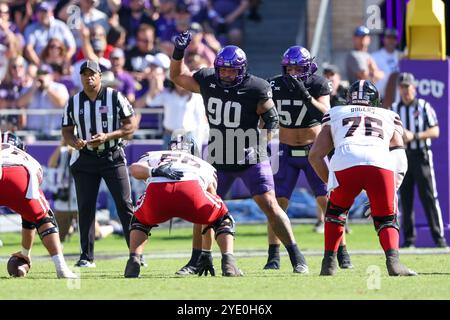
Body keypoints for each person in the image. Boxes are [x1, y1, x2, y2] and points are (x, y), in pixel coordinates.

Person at [170, 31, 309, 275]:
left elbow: (272, 120)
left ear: (242, 70)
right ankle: (197, 260)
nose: (226, 74)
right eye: (222, 69)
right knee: (203, 207)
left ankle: (297, 256)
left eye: (232, 70)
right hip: (218, 155)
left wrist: (262, 141)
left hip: (249, 155)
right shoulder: (207, 79)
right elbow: (177, 76)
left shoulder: (256, 87)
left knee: (270, 205)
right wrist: (178, 53)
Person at [308, 80, 416, 276]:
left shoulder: (336, 112)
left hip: (345, 161)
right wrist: (390, 190)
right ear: (375, 100)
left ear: (349, 99)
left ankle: (329, 263)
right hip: (380, 163)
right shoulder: (389, 115)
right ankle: (394, 262)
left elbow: (315, 155)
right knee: (387, 219)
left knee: (335, 213)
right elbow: (400, 156)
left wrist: (331, 183)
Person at [265, 46, 352, 270]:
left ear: (308, 67)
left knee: (328, 202)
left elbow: (326, 112)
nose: (293, 72)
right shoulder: (275, 84)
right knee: (276, 204)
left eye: (298, 68)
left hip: (313, 152)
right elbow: (262, 111)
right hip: (285, 150)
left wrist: (305, 96)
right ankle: (273, 256)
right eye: (290, 68)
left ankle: (341, 251)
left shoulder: (318, 84)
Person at [124, 131, 242, 278]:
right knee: (222, 218)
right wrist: (206, 252)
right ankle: (228, 261)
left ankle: (133, 261)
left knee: (139, 220)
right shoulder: (204, 164)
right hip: (191, 191)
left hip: (158, 193)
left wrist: (153, 171)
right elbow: (209, 210)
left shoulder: (154, 155)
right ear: (193, 149)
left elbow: (133, 169)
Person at [61, 60, 138, 267]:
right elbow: (67, 130)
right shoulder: (73, 102)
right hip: (85, 157)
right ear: (80, 77)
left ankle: (136, 254)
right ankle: (86, 257)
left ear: (100, 76)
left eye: (92, 73)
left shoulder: (114, 97)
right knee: (85, 208)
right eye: (85, 74)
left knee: (125, 205)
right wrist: (74, 141)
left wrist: (108, 136)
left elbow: (130, 126)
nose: (89, 77)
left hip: (112, 156)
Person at [0, 131, 77, 278]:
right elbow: (31, 217)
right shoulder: (25, 158)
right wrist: (25, 253)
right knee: (44, 218)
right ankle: (62, 269)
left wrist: (24, 253)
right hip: (16, 174)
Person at [391, 73, 447, 248]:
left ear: (414, 88)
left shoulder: (423, 106)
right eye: (402, 87)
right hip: (402, 157)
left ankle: (439, 238)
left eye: (408, 87)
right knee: (405, 199)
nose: (405, 91)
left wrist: (414, 136)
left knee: (429, 197)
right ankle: (408, 240)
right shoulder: (394, 108)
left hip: (421, 156)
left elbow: (435, 130)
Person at [47, 138, 78, 242]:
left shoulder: (82, 151)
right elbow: (51, 164)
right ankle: (71, 228)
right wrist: (62, 144)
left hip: (80, 200)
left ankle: (113, 227)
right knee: (58, 237)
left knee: (96, 234)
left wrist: (75, 149)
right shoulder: (63, 152)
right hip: (63, 201)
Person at [372, 28, 402, 99]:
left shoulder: (401, 56)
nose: (391, 41)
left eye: (393, 38)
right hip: (380, 96)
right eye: (388, 38)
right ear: (384, 39)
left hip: (397, 96)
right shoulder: (375, 56)